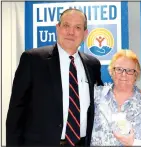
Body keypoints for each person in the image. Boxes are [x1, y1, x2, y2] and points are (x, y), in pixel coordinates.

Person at [6, 8, 103, 146]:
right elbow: (16, 112)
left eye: (77, 27)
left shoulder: (93, 65)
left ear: (85, 33)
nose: (71, 32)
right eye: (66, 25)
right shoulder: (33, 60)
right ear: (58, 28)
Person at [90, 50, 141, 146]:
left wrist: (134, 143)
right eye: (119, 69)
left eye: (129, 70)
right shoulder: (96, 95)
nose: (124, 74)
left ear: (136, 75)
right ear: (112, 72)